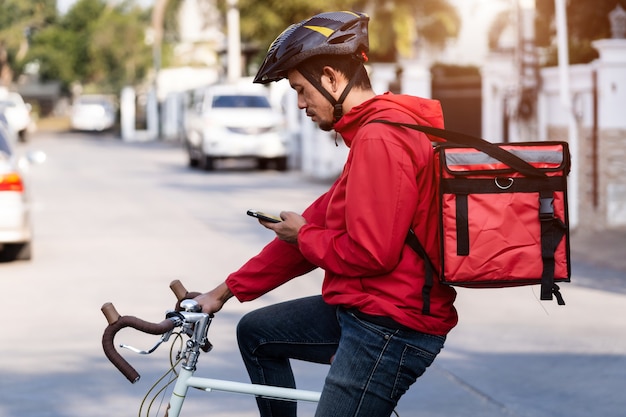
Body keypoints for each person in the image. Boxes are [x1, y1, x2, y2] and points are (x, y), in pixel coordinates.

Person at [194, 11, 458, 417]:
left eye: (301, 90)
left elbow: (371, 254)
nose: (300, 104)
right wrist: (223, 292)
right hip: (366, 309)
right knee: (256, 333)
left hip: (389, 326)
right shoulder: (371, 133)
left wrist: (303, 236)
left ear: (332, 78)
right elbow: (315, 227)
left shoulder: (381, 139)